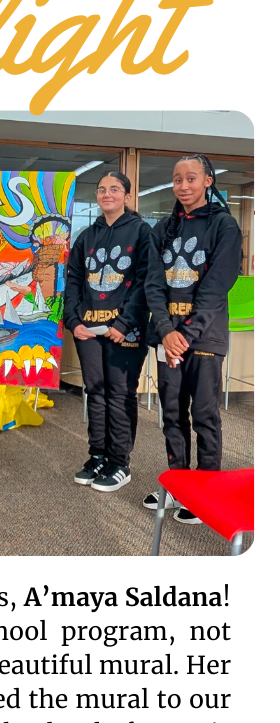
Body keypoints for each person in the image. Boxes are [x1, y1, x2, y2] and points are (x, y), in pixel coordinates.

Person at [143, 153, 243, 524]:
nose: (183, 186)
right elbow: (153, 284)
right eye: (177, 179)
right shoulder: (162, 229)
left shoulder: (224, 226)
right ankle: (178, 484)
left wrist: (184, 335)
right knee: (172, 414)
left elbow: (217, 287)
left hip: (204, 338)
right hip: (168, 336)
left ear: (207, 182)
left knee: (203, 415)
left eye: (191, 178)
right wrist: (165, 331)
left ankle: (207, 488)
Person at [64, 171, 151, 492]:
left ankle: (119, 463)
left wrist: (123, 324)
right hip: (88, 327)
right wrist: (73, 321)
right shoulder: (87, 236)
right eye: (102, 189)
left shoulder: (141, 232)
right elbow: (73, 280)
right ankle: (98, 455)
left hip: (124, 330)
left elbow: (145, 282)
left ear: (127, 196)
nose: (107, 194)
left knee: (120, 393)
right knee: (96, 392)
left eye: (114, 189)